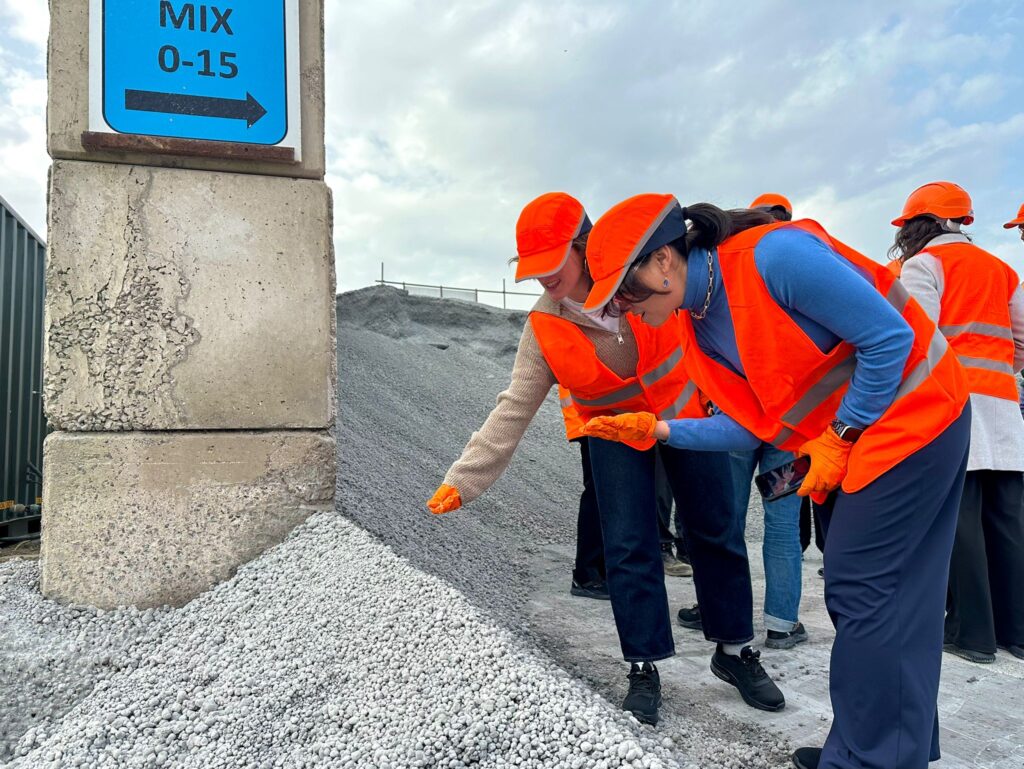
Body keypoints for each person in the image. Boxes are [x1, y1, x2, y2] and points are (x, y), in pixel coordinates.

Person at [581, 193, 969, 769]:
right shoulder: (702, 322)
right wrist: (661, 431)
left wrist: (839, 434)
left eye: (626, 290)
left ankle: (867, 756)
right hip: (870, 432)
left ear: (663, 261)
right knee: (895, 599)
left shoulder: (775, 258)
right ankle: (886, 746)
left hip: (917, 416)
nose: (624, 307)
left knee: (863, 591)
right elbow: (752, 425)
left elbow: (890, 341)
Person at [426, 193, 782, 726]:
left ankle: (734, 652)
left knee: (715, 531)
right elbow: (513, 408)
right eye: (535, 269)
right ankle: (643, 665)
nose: (543, 278)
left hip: (686, 417)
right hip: (614, 436)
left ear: (583, 245)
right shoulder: (544, 327)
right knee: (628, 545)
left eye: (552, 264)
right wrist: (465, 479)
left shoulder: (641, 281)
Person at [892, 182, 1024, 663]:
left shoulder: (924, 265)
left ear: (920, 223)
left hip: (953, 403)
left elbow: (918, 340)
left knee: (959, 521)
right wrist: (1001, 375)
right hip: (1004, 406)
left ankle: (973, 636)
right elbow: (1020, 338)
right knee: (1009, 520)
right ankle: (1018, 632)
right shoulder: (1002, 269)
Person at [557, 385, 609, 600]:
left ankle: (598, 571)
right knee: (599, 494)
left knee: (603, 495)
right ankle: (587, 574)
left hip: (598, 415)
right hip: (594, 415)